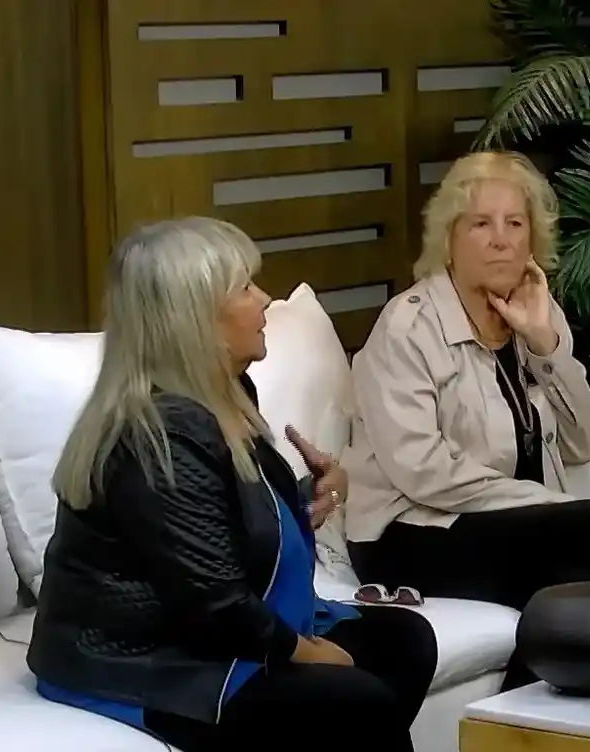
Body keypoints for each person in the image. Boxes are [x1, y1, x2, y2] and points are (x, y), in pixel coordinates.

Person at [27, 218, 436, 752]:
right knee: (354, 701)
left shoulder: (226, 392)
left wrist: (299, 499)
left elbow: (226, 514)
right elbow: (211, 599)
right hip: (146, 654)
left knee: (403, 641)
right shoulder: (159, 431)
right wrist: (307, 653)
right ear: (196, 316)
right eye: (245, 287)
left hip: (207, 628)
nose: (266, 299)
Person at [342, 151, 590, 691]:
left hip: (506, 523)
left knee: (582, 574)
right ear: (448, 238)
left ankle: (522, 721)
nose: (501, 239)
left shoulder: (538, 316)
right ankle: (537, 721)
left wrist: (546, 347)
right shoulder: (408, 328)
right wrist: (546, 503)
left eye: (515, 224)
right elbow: (423, 471)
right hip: (407, 533)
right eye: (481, 224)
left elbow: (585, 441)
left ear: (533, 240)